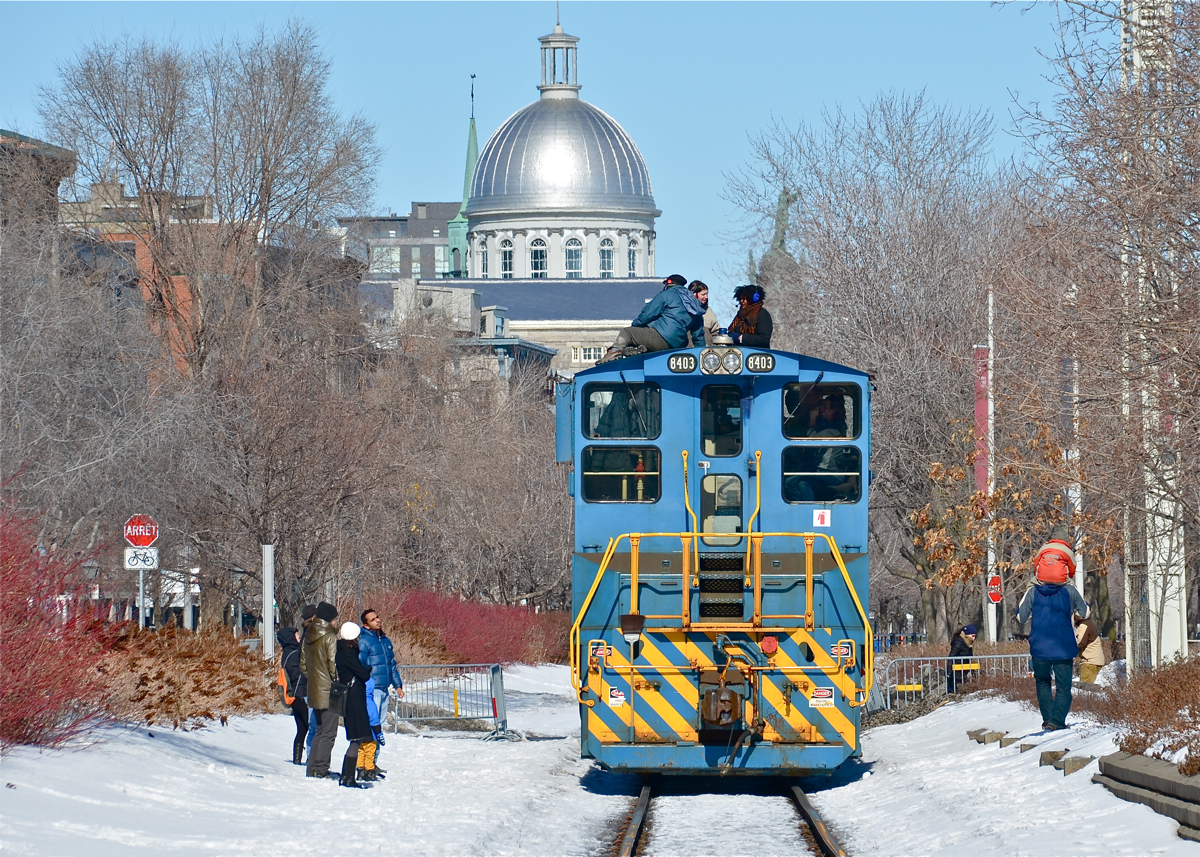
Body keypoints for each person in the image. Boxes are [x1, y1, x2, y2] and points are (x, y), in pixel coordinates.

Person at [1017, 539, 1090, 731]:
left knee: (1042, 683)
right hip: (1063, 647)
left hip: (1039, 646)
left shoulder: (1033, 590)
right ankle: (1057, 722)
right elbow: (1085, 613)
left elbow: (1020, 617)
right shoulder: (1070, 591)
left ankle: (1047, 720)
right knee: (1064, 686)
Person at [598, 273, 705, 362]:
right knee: (650, 334)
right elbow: (698, 336)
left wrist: (635, 327)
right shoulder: (694, 303)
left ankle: (614, 353)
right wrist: (702, 355)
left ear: (669, 283)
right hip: (678, 345)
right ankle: (641, 349)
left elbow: (647, 315)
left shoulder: (667, 295)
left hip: (661, 338)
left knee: (628, 333)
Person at [359, 608, 405, 772]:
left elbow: (391, 665)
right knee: (372, 725)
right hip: (372, 688)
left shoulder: (384, 640)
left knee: (379, 726)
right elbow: (360, 665)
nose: (377, 620)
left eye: (377, 617)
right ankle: (365, 763)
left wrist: (398, 685)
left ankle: (373, 761)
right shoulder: (364, 641)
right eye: (373, 619)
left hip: (384, 688)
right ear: (366, 624)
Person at [300, 601, 340, 778]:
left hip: (314, 689)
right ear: (330, 619)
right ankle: (321, 769)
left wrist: (315, 679)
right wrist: (338, 681)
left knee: (319, 730)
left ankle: (312, 768)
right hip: (329, 690)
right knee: (329, 732)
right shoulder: (330, 637)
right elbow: (333, 666)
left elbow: (303, 665)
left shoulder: (308, 635)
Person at [334, 621, 376, 788]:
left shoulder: (341, 651)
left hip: (350, 696)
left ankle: (346, 775)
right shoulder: (348, 653)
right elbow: (363, 674)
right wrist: (367, 669)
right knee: (356, 738)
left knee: (355, 738)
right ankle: (348, 777)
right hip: (354, 698)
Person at [276, 627, 308, 765]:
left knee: (301, 727)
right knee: (309, 725)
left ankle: (297, 758)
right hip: (299, 694)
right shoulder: (295, 653)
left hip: (293, 695)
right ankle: (308, 757)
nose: (299, 637)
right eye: (296, 635)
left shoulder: (286, 653)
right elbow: (298, 675)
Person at [297, 605, 319, 758]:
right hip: (311, 686)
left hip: (313, 685)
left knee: (317, 724)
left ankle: (314, 758)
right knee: (315, 725)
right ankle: (312, 758)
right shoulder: (310, 636)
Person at [1074, 614, 1106, 684]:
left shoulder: (1084, 626)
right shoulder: (1089, 623)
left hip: (1090, 662)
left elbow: (1080, 643)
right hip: (1094, 661)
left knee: (1085, 689)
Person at [946, 624, 977, 694]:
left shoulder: (968, 643)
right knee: (956, 690)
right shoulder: (959, 643)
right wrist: (949, 671)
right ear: (967, 635)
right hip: (957, 671)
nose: (974, 638)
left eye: (975, 636)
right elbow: (951, 656)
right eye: (972, 636)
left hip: (963, 669)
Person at [687, 280, 719, 347]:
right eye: (703, 294)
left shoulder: (709, 311)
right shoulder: (683, 311)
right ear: (694, 295)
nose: (706, 297)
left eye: (707, 294)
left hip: (707, 353)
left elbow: (716, 332)